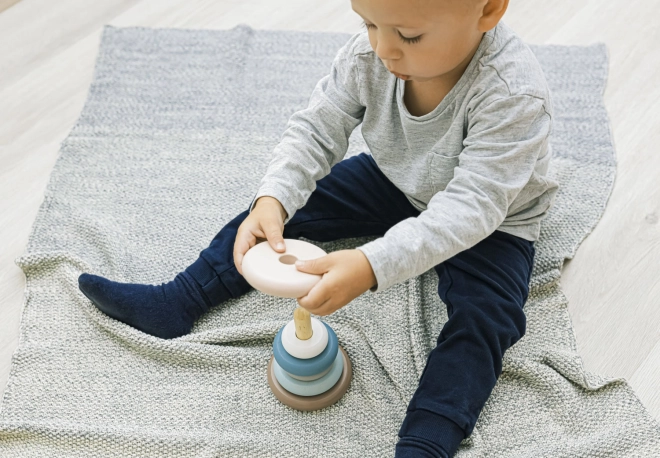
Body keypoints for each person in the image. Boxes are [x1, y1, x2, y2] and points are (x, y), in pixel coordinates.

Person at [78, 0, 559, 456]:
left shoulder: (513, 93)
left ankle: (428, 437)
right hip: (396, 180)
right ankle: (178, 300)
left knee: (488, 318)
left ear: (489, 9)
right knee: (269, 216)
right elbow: (316, 126)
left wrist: (372, 264)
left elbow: (471, 208)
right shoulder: (369, 56)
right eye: (368, 23)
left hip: (494, 221)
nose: (384, 48)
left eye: (408, 35)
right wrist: (275, 197)